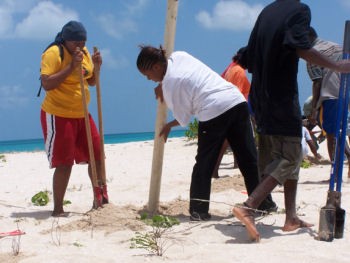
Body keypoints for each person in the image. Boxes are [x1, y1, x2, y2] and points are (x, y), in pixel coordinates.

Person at [232, 0, 350, 242]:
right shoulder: (300, 10)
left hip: (260, 99)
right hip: (281, 98)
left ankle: (291, 218)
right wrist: (337, 66)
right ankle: (249, 206)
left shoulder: (267, 12)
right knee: (291, 156)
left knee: (280, 158)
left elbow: (245, 57)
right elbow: (301, 47)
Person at [136, 45, 276, 221]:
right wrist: (163, 84)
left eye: (148, 75)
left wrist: (169, 123)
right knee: (248, 158)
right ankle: (265, 204)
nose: (149, 79)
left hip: (213, 111)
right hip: (236, 100)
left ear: (156, 67)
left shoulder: (172, 84)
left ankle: (199, 210)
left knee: (204, 163)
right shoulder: (179, 55)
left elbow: (184, 118)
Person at [40, 21, 105, 216]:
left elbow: (91, 81)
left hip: (82, 113)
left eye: (83, 41)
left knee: (97, 156)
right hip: (58, 114)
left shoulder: (84, 53)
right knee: (64, 162)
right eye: (75, 42)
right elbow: (47, 84)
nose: (79, 45)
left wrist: (97, 67)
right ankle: (58, 209)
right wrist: (71, 66)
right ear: (65, 40)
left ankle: (99, 200)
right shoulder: (53, 53)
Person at [306, 27, 350, 176]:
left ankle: (335, 172)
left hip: (331, 94)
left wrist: (314, 109)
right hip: (345, 92)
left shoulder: (312, 54)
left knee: (331, 134)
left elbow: (317, 82)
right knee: (340, 130)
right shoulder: (336, 46)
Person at [211, 48, 251, 178]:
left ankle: (234, 165)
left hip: (227, 108)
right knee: (227, 142)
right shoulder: (239, 71)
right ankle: (215, 170)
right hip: (233, 109)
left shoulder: (232, 69)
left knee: (232, 140)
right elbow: (237, 93)